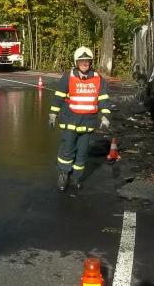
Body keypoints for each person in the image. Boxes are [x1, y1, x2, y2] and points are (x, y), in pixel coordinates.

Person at [48, 46, 112, 191]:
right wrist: (53, 114)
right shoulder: (68, 76)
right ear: (76, 62)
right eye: (82, 61)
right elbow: (59, 96)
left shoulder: (97, 78)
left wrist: (105, 116)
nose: (85, 63)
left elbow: (103, 99)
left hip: (88, 122)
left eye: (87, 61)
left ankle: (76, 178)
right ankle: (63, 175)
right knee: (67, 150)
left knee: (82, 152)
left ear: (91, 62)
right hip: (70, 119)